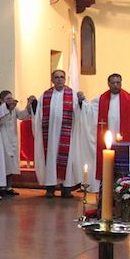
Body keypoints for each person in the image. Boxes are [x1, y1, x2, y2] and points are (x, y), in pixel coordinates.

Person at [79, 73, 130, 188]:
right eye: (113, 83)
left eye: (118, 82)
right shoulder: (100, 100)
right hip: (106, 141)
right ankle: (104, 187)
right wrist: (82, 102)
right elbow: (89, 110)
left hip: (122, 141)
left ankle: (124, 186)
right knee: (105, 160)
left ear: (121, 83)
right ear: (108, 84)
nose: (115, 85)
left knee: (122, 163)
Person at [29, 69, 90, 197]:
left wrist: (80, 102)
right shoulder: (45, 95)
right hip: (50, 137)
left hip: (67, 136)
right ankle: (50, 188)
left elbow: (81, 112)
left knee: (67, 160)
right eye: (56, 77)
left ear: (65, 79)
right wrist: (34, 104)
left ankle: (66, 188)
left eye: (62, 77)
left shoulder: (72, 94)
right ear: (52, 80)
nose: (59, 79)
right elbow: (38, 112)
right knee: (50, 159)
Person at [0, 90, 30, 196]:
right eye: (8, 99)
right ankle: (2, 187)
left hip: (13, 137)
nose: (10, 101)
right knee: (5, 163)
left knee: (12, 163)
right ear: (1, 100)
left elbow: (22, 116)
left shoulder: (14, 109)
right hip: (3, 137)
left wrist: (28, 105)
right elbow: (0, 121)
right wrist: (8, 110)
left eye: (11, 98)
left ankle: (9, 186)